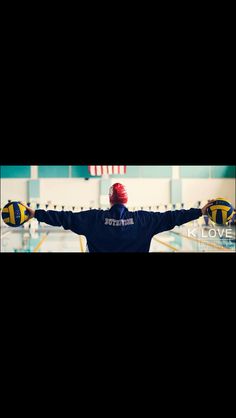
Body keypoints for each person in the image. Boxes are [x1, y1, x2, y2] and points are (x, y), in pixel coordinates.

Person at [21, 183, 214, 253]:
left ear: (110, 199)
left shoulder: (93, 219)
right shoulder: (144, 220)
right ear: (126, 199)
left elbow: (64, 217)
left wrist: (35, 213)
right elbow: (173, 217)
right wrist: (200, 211)